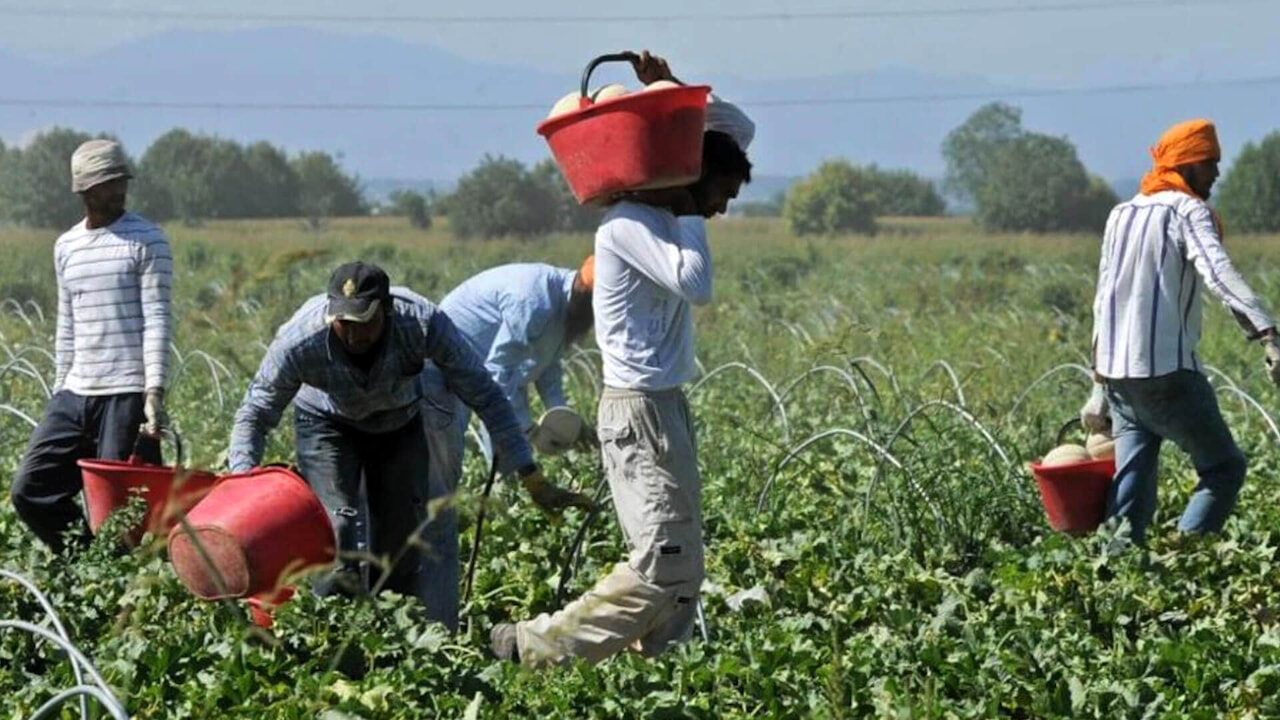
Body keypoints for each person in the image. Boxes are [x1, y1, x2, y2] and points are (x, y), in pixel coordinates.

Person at [490, 51, 754, 666]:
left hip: (666, 405)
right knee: (662, 562)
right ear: (692, 179)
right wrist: (690, 208)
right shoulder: (628, 224)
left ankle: (658, 675)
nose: (723, 207)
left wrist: (670, 91)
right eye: (721, 193)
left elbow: (738, 130)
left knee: (684, 566)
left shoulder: (662, 216)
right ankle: (532, 646)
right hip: (637, 411)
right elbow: (697, 283)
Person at [227, 262, 594, 631]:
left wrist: (529, 475)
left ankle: (390, 640)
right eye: (343, 323)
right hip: (327, 425)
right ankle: (333, 637)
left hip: (398, 423)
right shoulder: (301, 340)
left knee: (400, 545)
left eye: (364, 323)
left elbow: (485, 393)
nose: (352, 336)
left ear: (387, 311)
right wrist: (241, 488)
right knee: (338, 529)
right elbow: (255, 412)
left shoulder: (421, 322)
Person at [1079, 118, 1280, 545]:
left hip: (1121, 378)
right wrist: (1267, 332)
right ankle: (1184, 558)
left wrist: (1098, 385)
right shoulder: (1187, 211)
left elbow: (1104, 300)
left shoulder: (1122, 213)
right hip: (1167, 375)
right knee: (1224, 467)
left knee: (1131, 489)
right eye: (1209, 163)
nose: (1217, 173)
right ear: (1186, 165)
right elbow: (1220, 274)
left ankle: (1117, 576)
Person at [11, 139, 171, 553]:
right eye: (107, 183)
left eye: (121, 181)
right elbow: (67, 323)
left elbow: (157, 318)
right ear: (83, 190)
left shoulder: (147, 239)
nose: (118, 190)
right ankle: (87, 564)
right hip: (76, 391)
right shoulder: (67, 247)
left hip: (125, 392)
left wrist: (153, 392)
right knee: (31, 490)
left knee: (120, 514)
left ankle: (118, 585)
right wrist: (59, 388)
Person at [420, 257, 598, 495]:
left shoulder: (566, 309)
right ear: (587, 295)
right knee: (446, 448)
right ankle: (450, 509)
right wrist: (526, 429)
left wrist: (565, 421)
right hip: (450, 355)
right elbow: (499, 374)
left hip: (495, 361)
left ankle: (505, 495)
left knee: (510, 448)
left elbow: (548, 367)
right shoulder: (536, 302)